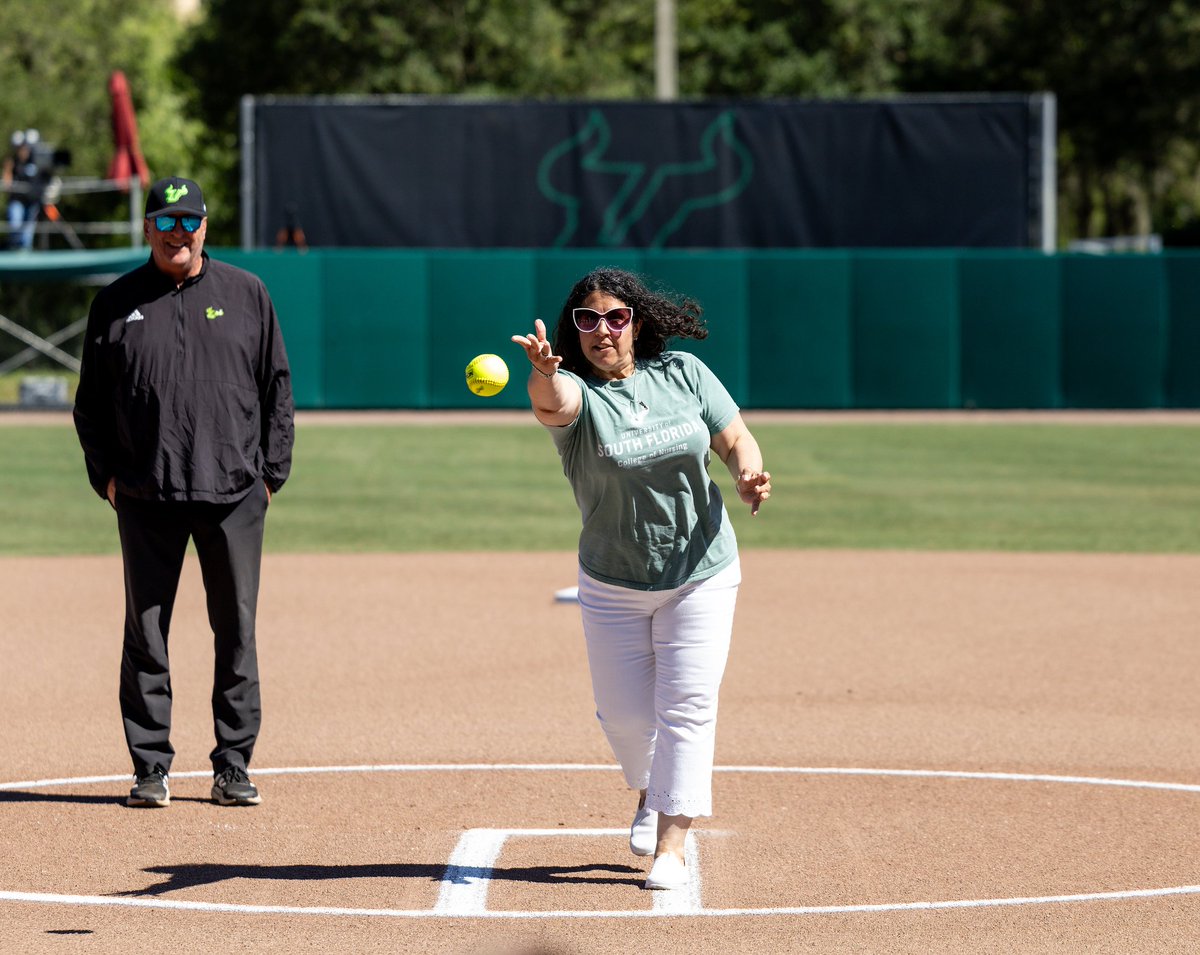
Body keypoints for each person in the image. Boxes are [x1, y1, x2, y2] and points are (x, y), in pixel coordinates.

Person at [510, 267, 771, 891]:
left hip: (700, 570)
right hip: (613, 580)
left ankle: (672, 846)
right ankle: (651, 789)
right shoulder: (576, 390)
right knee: (625, 720)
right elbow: (555, 405)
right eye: (588, 320)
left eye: (616, 317)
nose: (603, 329)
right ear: (574, 332)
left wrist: (747, 472)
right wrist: (544, 374)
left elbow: (735, 437)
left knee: (687, 708)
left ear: (637, 322)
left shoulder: (684, 372)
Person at [73, 177, 295, 809]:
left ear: (205, 228)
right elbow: (89, 404)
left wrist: (270, 475)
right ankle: (150, 766)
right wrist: (108, 478)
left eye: (188, 222)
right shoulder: (115, 301)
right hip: (145, 492)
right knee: (146, 631)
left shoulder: (247, 293)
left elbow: (277, 388)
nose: (177, 233)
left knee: (236, 627)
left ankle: (233, 765)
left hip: (232, 493)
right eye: (165, 222)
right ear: (147, 229)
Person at [3, 129, 47, 250]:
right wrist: (7, 170)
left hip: (32, 201)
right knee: (15, 224)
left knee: (27, 234)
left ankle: (24, 256)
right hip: (17, 200)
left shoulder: (36, 162)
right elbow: (7, 183)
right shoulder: (12, 162)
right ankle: (13, 251)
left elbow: (43, 179)